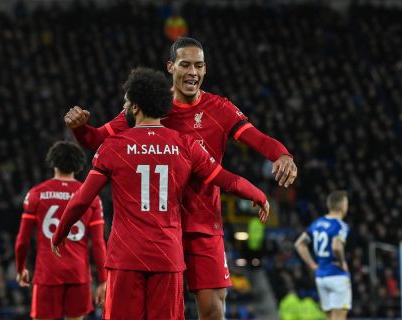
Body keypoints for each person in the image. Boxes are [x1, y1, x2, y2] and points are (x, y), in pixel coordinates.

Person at [63, 37, 296, 319]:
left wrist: (282, 154)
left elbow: (256, 138)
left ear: (205, 69)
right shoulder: (152, 106)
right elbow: (96, 139)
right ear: (171, 66)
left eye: (199, 66)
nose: (192, 72)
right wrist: (79, 128)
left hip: (203, 223)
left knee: (212, 309)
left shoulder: (219, 108)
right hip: (158, 226)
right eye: (185, 64)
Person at [14, 141, 107, 320]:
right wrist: (103, 280)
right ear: (78, 165)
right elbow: (98, 243)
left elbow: (22, 240)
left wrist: (21, 268)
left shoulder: (36, 193)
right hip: (78, 274)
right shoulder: (90, 196)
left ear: (53, 162)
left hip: (48, 273)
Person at [294, 190, 351, 320]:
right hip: (337, 275)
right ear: (342, 205)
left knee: (329, 317)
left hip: (321, 277)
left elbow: (299, 244)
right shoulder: (340, 225)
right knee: (340, 317)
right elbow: (336, 246)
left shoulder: (317, 224)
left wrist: (313, 265)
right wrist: (342, 263)